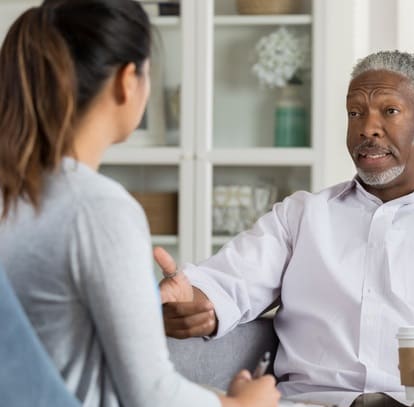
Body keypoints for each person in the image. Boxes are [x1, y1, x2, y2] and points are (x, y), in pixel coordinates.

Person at [157, 50, 414, 407]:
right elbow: (226, 284)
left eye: (389, 111)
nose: (368, 128)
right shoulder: (302, 216)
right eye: (355, 113)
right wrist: (195, 303)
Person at [0, 1, 279, 406]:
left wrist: (142, 300)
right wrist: (239, 405)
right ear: (127, 81)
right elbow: (150, 395)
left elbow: (46, 329)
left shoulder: (19, 193)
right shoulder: (97, 209)